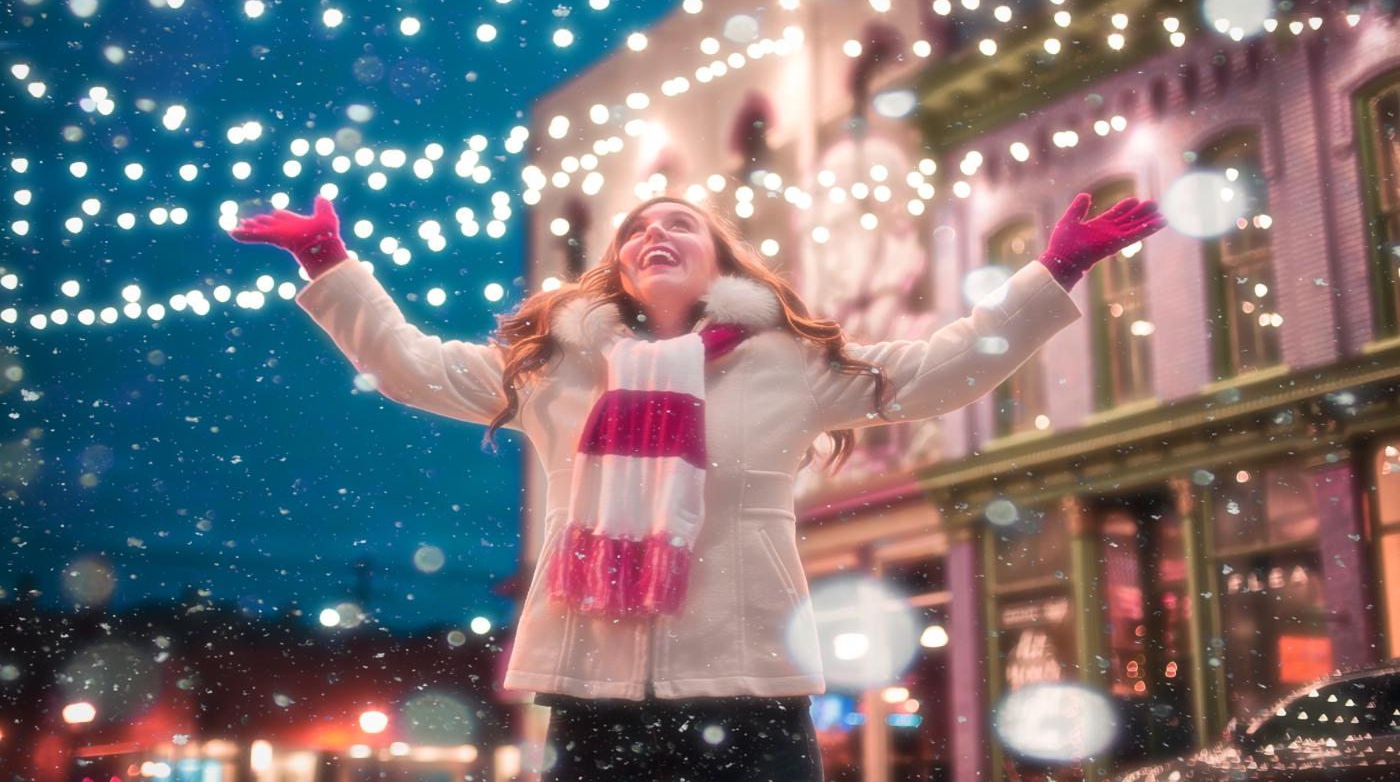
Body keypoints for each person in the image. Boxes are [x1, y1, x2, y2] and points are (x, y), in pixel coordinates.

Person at [229, 191, 1165, 780]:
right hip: (596, 688)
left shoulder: (789, 362)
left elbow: (937, 371)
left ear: (720, 262)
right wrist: (330, 264)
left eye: (679, 223)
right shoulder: (557, 367)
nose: (654, 233)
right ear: (622, 268)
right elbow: (411, 367)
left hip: (747, 681)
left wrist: (1056, 271)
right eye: (637, 230)